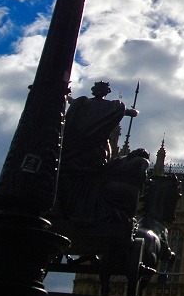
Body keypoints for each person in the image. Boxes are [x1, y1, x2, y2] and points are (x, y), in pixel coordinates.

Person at [55, 81, 149, 231]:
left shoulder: (82, 102)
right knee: (98, 177)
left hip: (74, 151)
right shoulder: (113, 106)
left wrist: (66, 95)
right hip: (94, 153)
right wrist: (132, 110)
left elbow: (70, 101)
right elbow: (133, 112)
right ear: (106, 93)